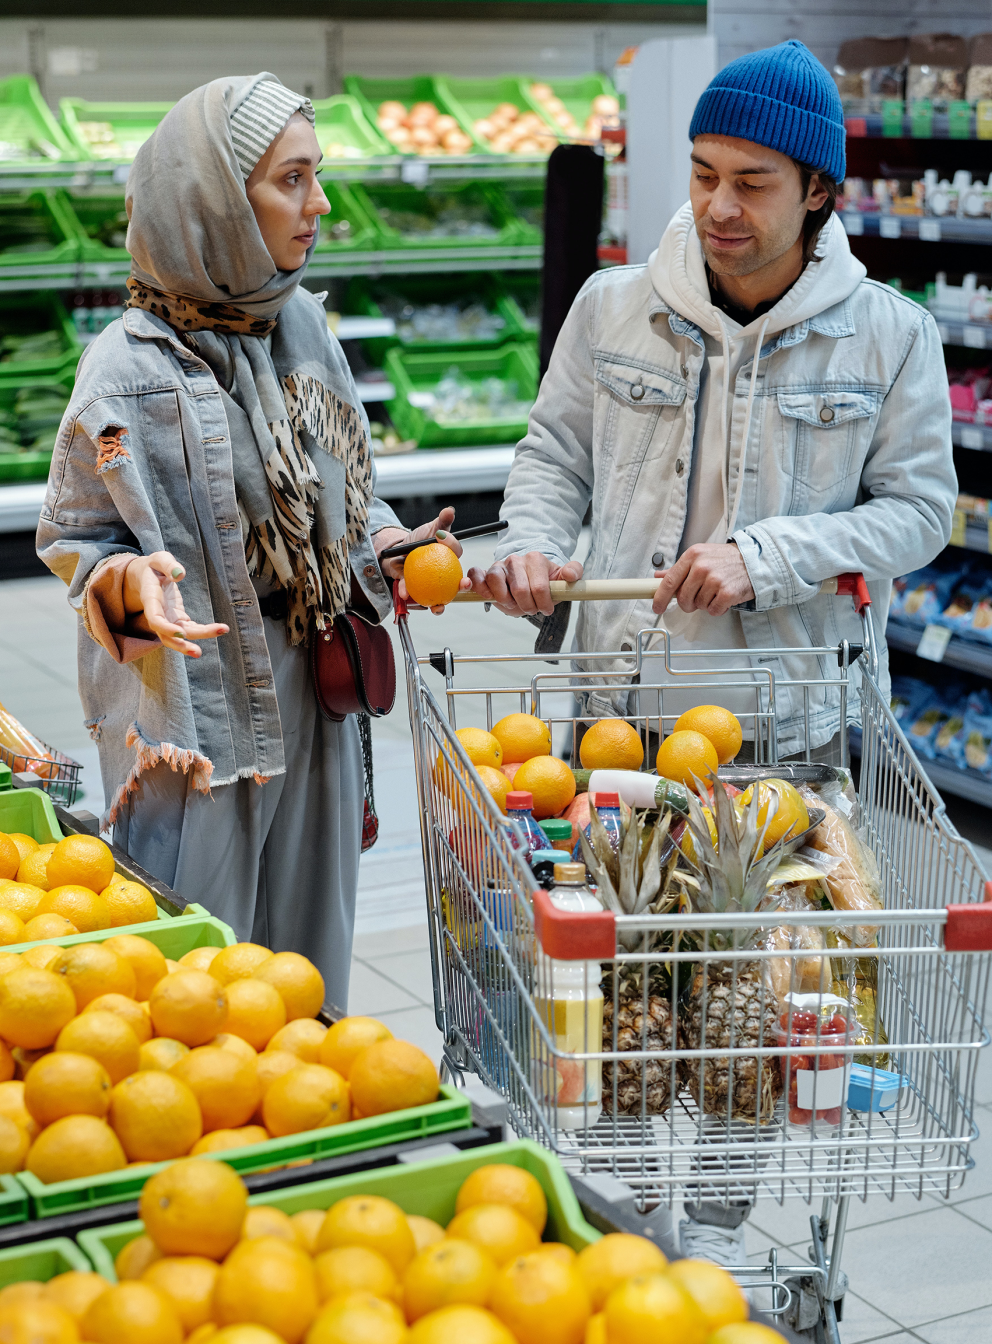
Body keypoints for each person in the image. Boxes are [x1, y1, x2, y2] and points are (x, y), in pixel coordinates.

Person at [468, 41, 956, 1257]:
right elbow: (550, 458)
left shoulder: (887, 337)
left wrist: (771, 550)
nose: (716, 208)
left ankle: (725, 1224)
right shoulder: (612, 304)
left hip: (779, 730)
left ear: (819, 196)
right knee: (626, 989)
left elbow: (917, 513)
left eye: (751, 184)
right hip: (614, 711)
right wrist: (531, 539)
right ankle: (629, 1213)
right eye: (699, 175)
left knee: (747, 1005)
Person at [37, 73, 459, 1014]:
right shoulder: (125, 368)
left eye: (317, 177)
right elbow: (75, 542)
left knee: (309, 967)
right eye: (291, 181)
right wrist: (127, 584)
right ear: (217, 203)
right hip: (195, 705)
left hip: (314, 685)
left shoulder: (304, 324)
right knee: (198, 970)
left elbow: (348, 498)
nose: (319, 207)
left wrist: (384, 545)